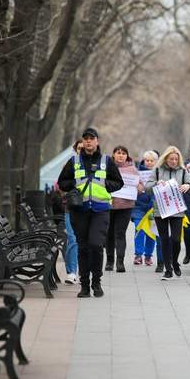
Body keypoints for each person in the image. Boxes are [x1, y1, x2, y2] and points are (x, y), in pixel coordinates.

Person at [57, 127, 124, 298]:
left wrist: (104, 185)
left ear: (97, 141)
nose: (88, 141)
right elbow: (62, 182)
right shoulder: (74, 161)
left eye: (91, 138)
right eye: (85, 138)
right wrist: (75, 185)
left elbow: (119, 182)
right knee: (83, 247)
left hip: (100, 210)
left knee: (96, 245)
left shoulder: (106, 161)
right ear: (82, 141)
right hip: (79, 211)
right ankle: (84, 285)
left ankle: (97, 282)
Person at [145, 146, 190, 280]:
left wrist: (188, 186)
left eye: (176, 159)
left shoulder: (183, 171)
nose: (174, 161)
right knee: (164, 239)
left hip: (177, 210)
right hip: (160, 210)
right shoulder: (157, 170)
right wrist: (156, 183)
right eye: (171, 159)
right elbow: (147, 188)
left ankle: (175, 262)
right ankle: (168, 269)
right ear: (165, 159)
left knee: (175, 239)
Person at [106, 146, 143, 273]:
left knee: (120, 234)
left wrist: (138, 187)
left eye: (123, 153)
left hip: (126, 206)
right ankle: (109, 261)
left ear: (127, 156)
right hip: (109, 205)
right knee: (109, 233)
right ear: (113, 155)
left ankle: (120, 262)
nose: (121, 155)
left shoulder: (132, 169)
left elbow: (141, 185)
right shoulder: (107, 167)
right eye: (118, 153)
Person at [59, 140, 84, 285]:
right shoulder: (69, 164)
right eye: (79, 148)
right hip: (72, 207)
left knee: (85, 241)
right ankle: (71, 272)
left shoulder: (96, 165)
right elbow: (60, 185)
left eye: (83, 148)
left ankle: (84, 271)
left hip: (88, 208)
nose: (81, 150)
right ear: (76, 150)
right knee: (72, 238)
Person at [132, 151, 159, 267]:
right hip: (139, 206)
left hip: (153, 207)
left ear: (156, 162)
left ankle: (148, 256)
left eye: (151, 161)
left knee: (151, 232)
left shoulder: (159, 173)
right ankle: (138, 254)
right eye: (147, 160)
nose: (149, 163)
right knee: (139, 230)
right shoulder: (137, 172)